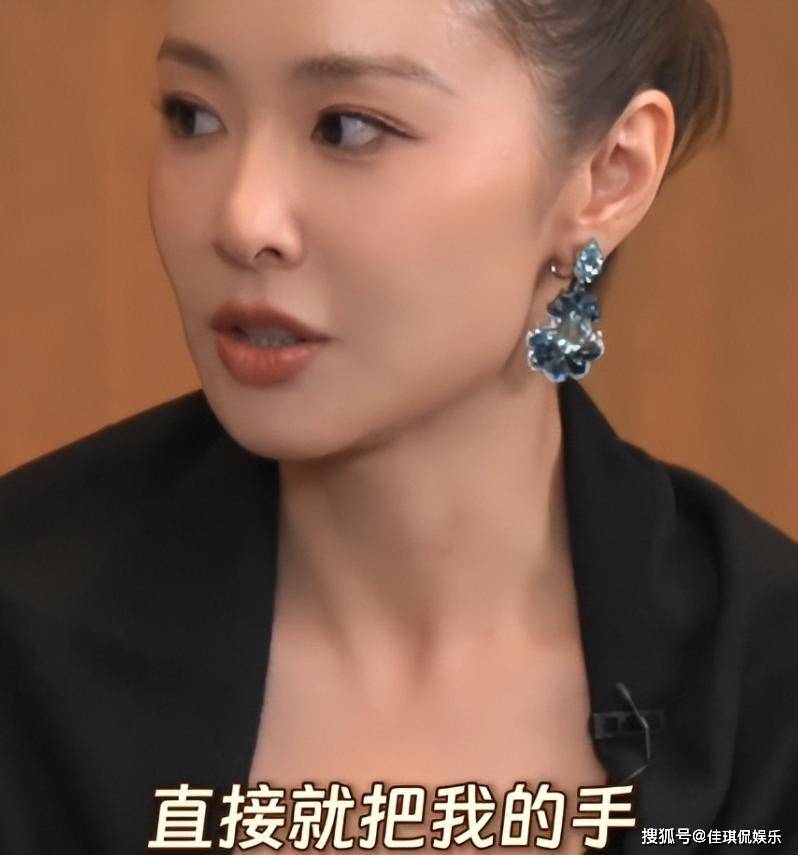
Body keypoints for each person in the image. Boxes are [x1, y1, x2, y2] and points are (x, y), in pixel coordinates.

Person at [1, 1, 796, 853]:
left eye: (347, 128)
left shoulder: (765, 693)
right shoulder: (24, 631)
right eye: (193, 116)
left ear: (610, 175)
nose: (241, 219)